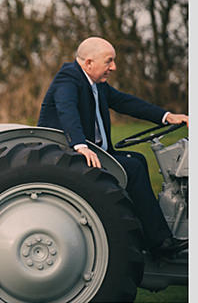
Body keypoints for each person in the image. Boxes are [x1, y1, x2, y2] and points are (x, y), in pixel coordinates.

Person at [38, 37, 188, 258]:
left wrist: (166, 116)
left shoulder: (97, 84)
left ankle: (145, 233)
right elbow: (66, 109)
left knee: (136, 160)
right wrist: (80, 145)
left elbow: (126, 102)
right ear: (89, 63)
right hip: (68, 155)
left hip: (98, 152)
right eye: (109, 61)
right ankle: (159, 242)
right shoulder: (68, 78)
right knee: (132, 168)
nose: (114, 67)